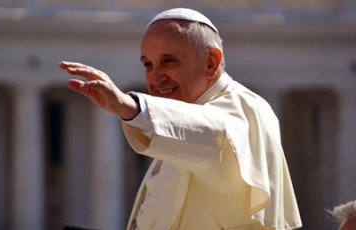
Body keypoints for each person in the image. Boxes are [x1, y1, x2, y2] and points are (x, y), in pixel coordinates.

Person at [59, 8, 302, 230]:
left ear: (211, 62)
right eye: (148, 64)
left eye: (168, 61)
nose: (156, 78)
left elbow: (215, 134)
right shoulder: (179, 117)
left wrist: (130, 107)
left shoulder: (247, 108)